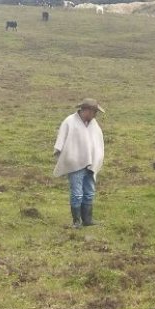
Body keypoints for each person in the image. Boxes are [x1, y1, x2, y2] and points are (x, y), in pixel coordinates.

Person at [53, 98, 105, 228]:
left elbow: (98, 143)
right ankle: (76, 221)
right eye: (94, 112)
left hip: (90, 164)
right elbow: (61, 141)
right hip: (75, 164)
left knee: (89, 192)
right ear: (87, 110)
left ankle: (87, 220)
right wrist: (61, 155)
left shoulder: (94, 124)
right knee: (77, 193)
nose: (95, 115)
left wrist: (97, 158)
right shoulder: (70, 122)